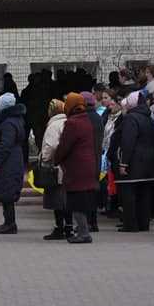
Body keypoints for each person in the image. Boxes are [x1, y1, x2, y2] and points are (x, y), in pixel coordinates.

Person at [52, 93, 97, 244]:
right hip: (88, 165)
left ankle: (83, 233)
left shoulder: (72, 123)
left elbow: (64, 145)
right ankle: (84, 230)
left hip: (76, 167)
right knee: (82, 200)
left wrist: (56, 159)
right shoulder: (86, 120)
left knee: (75, 201)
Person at [111, 91, 154, 232]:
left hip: (133, 163)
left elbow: (127, 142)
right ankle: (144, 224)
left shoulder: (131, 118)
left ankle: (130, 224)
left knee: (128, 194)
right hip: (148, 163)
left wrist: (124, 163)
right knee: (144, 195)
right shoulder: (147, 118)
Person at [0, 93, 26, 234]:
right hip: (13, 160)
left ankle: (10, 224)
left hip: (8, 163)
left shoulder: (8, 123)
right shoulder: (16, 120)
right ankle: (8, 222)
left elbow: (5, 145)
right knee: (6, 192)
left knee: (6, 193)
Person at [40, 99, 71, 240]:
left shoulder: (53, 125)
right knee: (67, 199)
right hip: (67, 165)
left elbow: (51, 146)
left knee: (57, 200)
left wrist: (45, 159)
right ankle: (69, 227)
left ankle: (60, 228)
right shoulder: (68, 121)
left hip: (55, 166)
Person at [81, 91, 104, 232]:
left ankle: (87, 222)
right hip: (96, 158)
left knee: (84, 192)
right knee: (92, 191)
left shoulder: (83, 118)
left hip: (85, 159)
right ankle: (93, 222)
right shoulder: (97, 117)